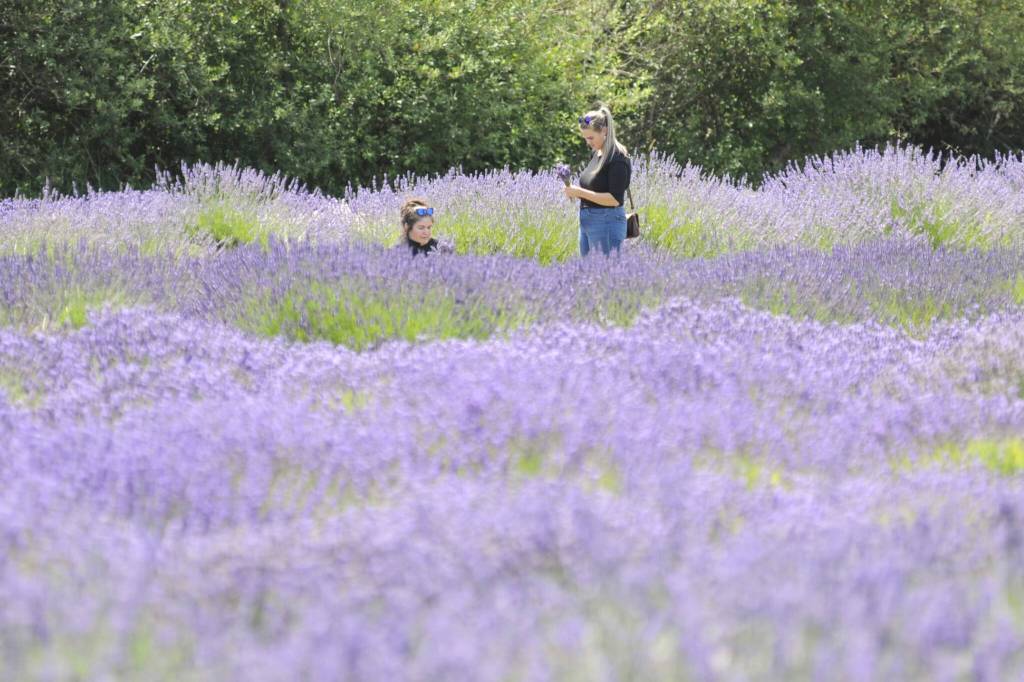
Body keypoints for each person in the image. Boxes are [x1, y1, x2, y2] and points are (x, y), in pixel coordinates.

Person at [563, 104, 632, 256]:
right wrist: (573, 192)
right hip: (587, 222)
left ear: (604, 131)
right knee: (589, 275)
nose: (588, 143)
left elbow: (614, 199)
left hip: (607, 222)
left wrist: (580, 192)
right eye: (585, 138)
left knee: (606, 276)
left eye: (591, 138)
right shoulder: (597, 154)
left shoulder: (617, 158)